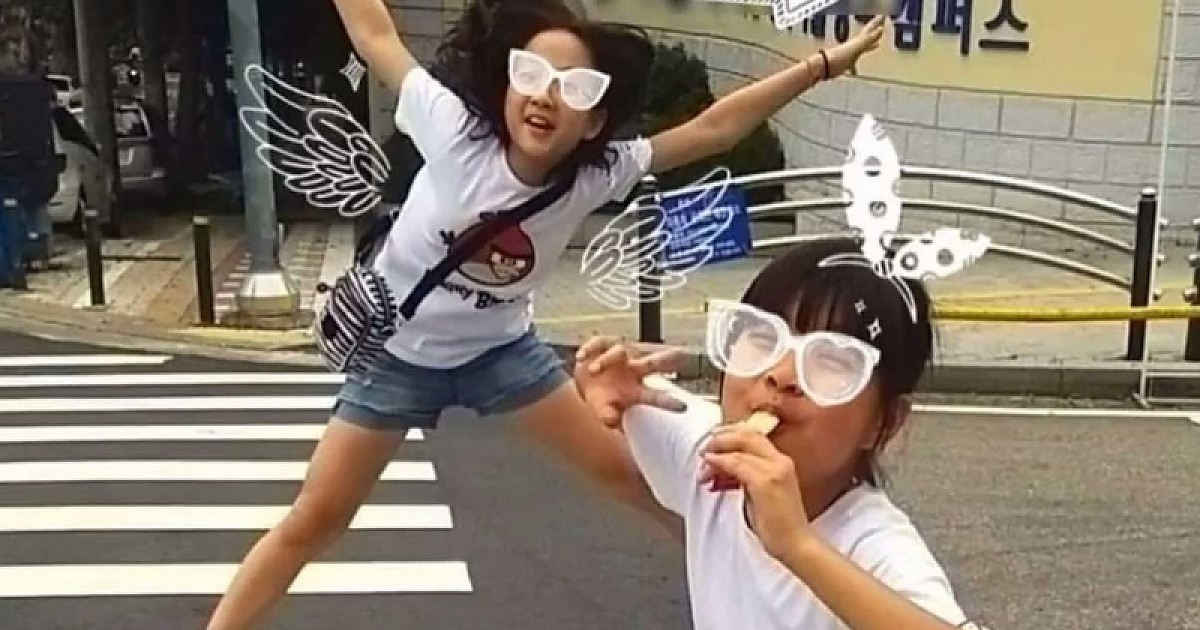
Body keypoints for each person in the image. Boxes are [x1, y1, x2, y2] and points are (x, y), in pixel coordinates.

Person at [206, 0, 884, 626]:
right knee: (315, 520)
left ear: (593, 121)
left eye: (573, 88)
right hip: (396, 360)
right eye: (531, 75)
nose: (545, 96)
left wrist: (824, 64)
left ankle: (760, 592)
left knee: (633, 479)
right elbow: (373, 32)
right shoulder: (451, 129)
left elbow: (714, 130)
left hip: (501, 354)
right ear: (506, 86)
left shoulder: (595, 175)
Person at [574, 238, 986, 630]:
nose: (782, 373)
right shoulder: (706, 454)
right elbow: (625, 393)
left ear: (883, 423)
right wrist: (603, 378)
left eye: (831, 360)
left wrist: (796, 544)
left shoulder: (874, 546)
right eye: (762, 337)